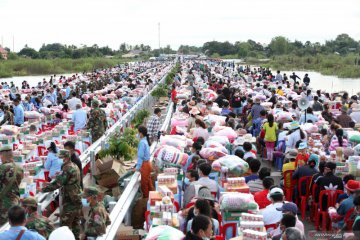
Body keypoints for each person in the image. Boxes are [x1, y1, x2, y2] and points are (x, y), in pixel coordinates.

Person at [42, 149, 82, 240]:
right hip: (76, 198)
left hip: (70, 201)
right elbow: (66, 179)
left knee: (64, 227)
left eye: (61, 158)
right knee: (75, 224)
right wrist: (59, 176)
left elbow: (58, 183)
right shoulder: (73, 165)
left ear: (66, 158)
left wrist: (43, 189)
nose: (59, 160)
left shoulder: (67, 168)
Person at [0, 146, 24, 226]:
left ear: (2, 155)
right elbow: (17, 184)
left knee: (3, 227)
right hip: (15, 201)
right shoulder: (19, 169)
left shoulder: (2, 168)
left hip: (3, 204)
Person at [135, 126, 154, 198]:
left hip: (145, 165)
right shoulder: (145, 141)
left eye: (138, 133)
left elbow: (140, 156)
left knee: (144, 184)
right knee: (148, 182)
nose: (138, 134)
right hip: (147, 163)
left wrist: (137, 167)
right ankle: (152, 196)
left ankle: (146, 199)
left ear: (141, 134)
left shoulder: (142, 143)